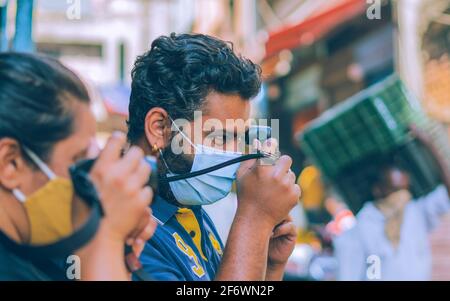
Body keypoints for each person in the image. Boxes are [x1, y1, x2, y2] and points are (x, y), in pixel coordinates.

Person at [127, 33, 301, 281]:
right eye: (219, 137)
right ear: (160, 128)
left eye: (239, 139)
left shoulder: (187, 209)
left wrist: (269, 265)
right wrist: (255, 218)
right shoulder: (126, 229)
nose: (235, 154)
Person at [0, 52, 156, 280]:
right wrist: (106, 234)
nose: (91, 176)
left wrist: (113, 257)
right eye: (79, 160)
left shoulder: (43, 254)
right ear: (10, 163)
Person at [334, 125, 450, 281]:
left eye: (405, 191)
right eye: (395, 191)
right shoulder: (360, 230)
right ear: (378, 190)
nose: (402, 197)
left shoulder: (415, 212)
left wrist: (429, 145)